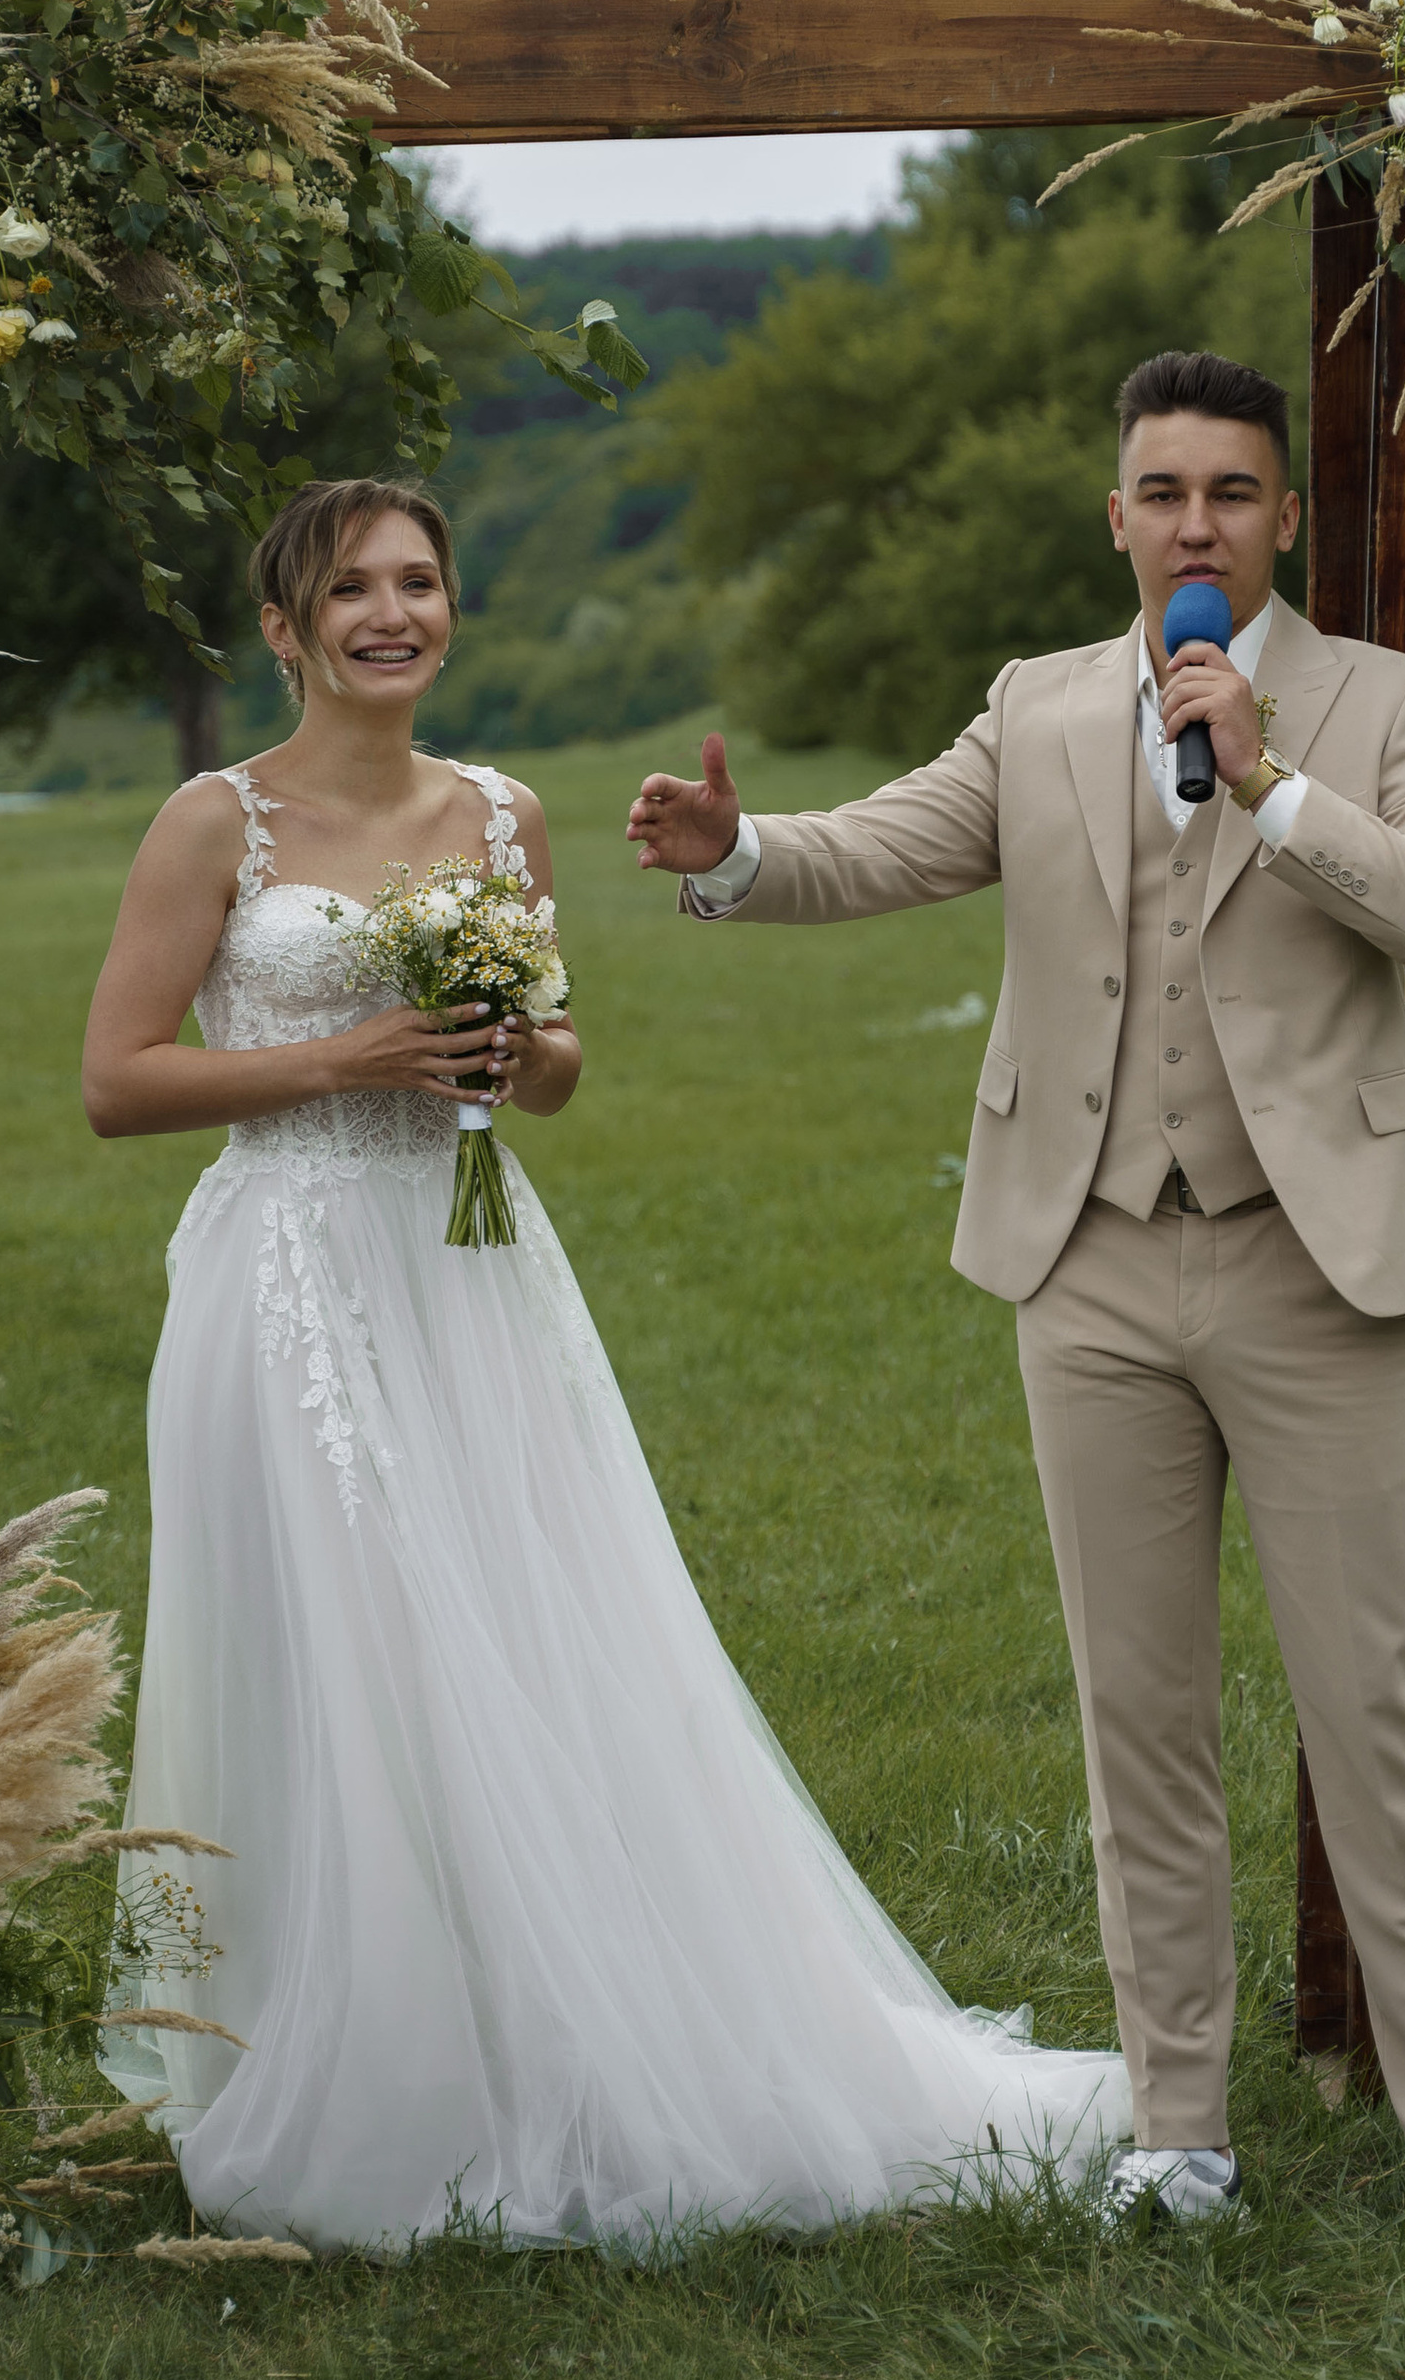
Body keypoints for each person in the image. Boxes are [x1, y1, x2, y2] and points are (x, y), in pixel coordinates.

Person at [81, 473, 1127, 2250]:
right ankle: (362, 2052)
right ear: (283, 629)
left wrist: (509, 1056)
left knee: (523, 1631)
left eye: (420, 581)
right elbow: (120, 1079)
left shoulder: (502, 814)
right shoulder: (215, 825)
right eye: (350, 591)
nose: (391, 614)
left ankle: (566, 2036)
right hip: (286, 1281)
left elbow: (557, 1065)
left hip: (470, 1269)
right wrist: (351, 1059)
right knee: (343, 1652)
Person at [627, 349, 1405, 2231]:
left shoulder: (1388, 699)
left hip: (1318, 1265)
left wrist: (1273, 789)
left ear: (1280, 518)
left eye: (1234, 494)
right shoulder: (1036, 710)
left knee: (1374, 1713)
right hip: (1086, 1258)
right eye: (1164, 491)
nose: (1197, 523)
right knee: (1142, 1716)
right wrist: (738, 860)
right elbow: (884, 845)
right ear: (1115, 514)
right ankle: (1179, 2136)